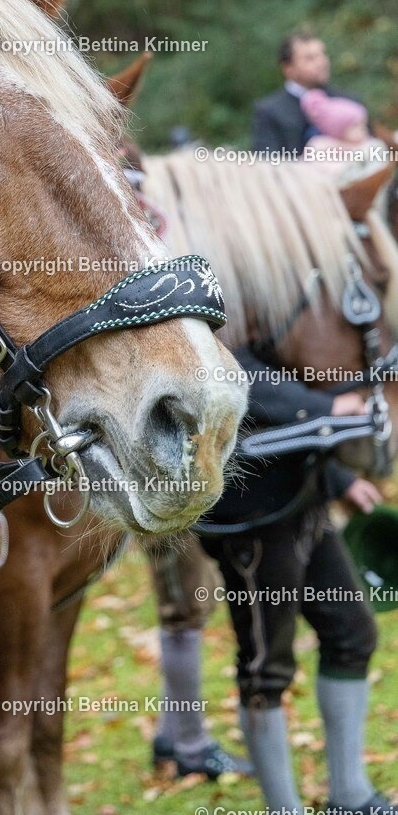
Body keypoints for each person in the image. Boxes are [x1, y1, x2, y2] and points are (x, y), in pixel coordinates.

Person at [197, 347, 393, 815]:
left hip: (305, 498)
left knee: (352, 634)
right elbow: (231, 374)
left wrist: (339, 480)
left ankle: (350, 797)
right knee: (266, 669)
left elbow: (283, 381)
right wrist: (327, 407)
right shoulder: (223, 310)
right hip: (252, 517)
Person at [149, 535, 254, 779]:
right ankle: (192, 749)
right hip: (170, 516)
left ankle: (170, 736)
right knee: (183, 610)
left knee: (194, 600)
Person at [252, 33, 369, 155]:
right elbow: (266, 161)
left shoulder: (349, 102)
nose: (321, 63)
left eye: (322, 55)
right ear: (288, 69)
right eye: (310, 58)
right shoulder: (270, 112)